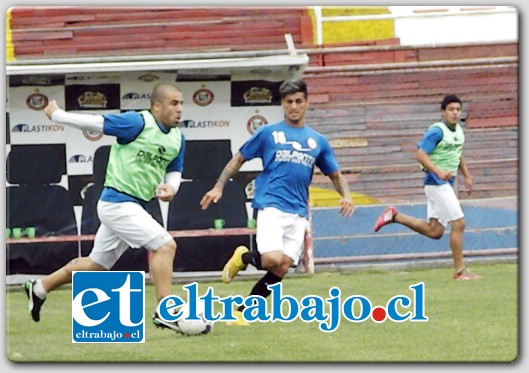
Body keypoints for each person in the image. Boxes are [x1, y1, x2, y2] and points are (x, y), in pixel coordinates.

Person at [23, 83, 187, 332]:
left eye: (181, 103)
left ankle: (40, 287)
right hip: (117, 203)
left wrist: (172, 188)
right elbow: (96, 123)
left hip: (134, 206)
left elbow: (175, 169)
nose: (180, 109)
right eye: (174, 103)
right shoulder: (137, 123)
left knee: (94, 266)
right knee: (165, 245)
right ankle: (165, 311)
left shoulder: (177, 137)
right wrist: (57, 115)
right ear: (157, 106)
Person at [200, 79, 355, 326]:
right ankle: (243, 257)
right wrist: (218, 186)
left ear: (306, 103)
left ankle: (243, 312)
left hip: (298, 212)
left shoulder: (318, 141)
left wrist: (346, 196)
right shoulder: (268, 133)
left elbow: (335, 175)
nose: (294, 106)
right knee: (271, 259)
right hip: (271, 204)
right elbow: (238, 159)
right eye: (289, 102)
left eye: (298, 101)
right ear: (282, 104)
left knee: (281, 267)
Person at [373, 94, 481, 280]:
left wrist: (467, 176)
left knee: (435, 230)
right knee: (459, 223)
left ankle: (394, 215)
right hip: (436, 182)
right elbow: (421, 155)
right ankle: (460, 272)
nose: (455, 113)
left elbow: (458, 154)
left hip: (446, 183)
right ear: (443, 112)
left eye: (458, 109)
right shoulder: (437, 131)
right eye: (451, 109)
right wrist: (438, 171)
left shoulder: (459, 131)